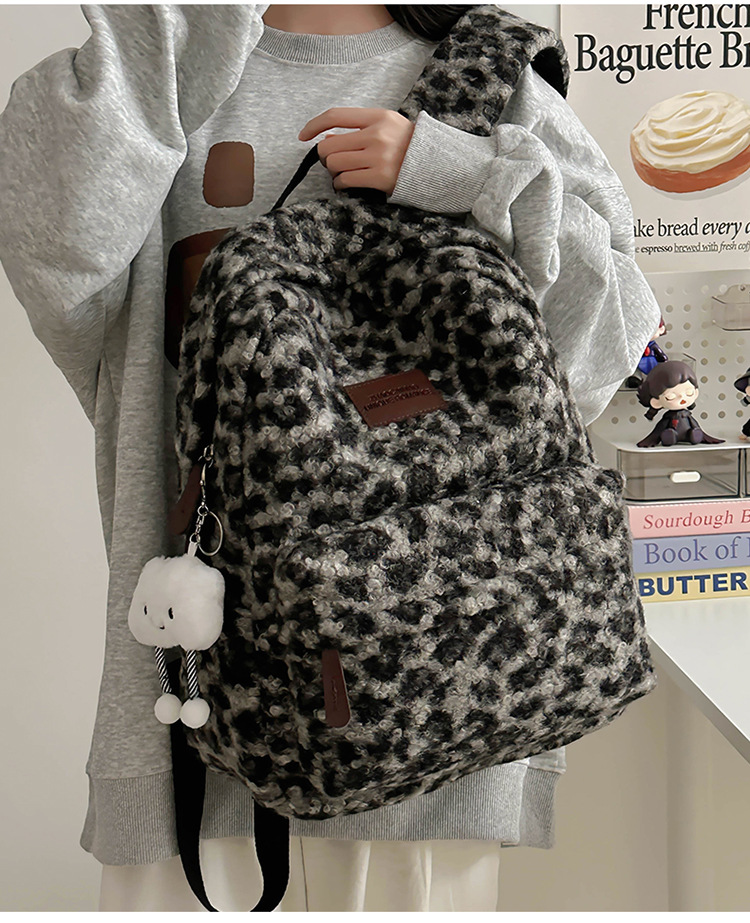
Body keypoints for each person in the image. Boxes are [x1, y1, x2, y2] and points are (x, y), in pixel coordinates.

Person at [0, 3, 661, 912]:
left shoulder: (488, 73)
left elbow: (607, 337)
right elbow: (47, 239)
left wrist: (466, 173)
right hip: (191, 715)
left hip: (445, 709)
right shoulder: (153, 66)